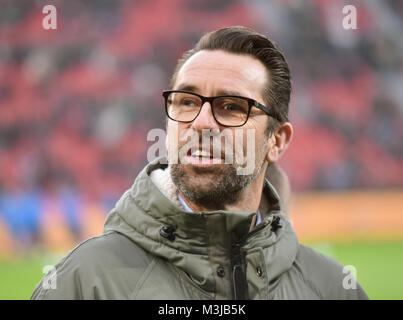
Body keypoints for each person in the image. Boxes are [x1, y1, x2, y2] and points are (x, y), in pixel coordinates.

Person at [31, 26, 368, 300]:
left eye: (231, 107)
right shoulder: (82, 284)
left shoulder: (332, 289)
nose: (202, 122)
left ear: (276, 141)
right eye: (187, 102)